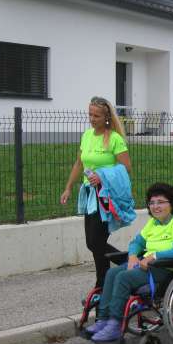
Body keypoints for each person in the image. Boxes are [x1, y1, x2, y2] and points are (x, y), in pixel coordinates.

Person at [86, 183, 173, 344]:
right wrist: (132, 256)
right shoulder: (154, 223)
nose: (155, 206)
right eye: (152, 203)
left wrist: (154, 256)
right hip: (148, 266)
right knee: (112, 273)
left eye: (160, 202)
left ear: (171, 203)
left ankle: (115, 324)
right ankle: (103, 319)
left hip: (169, 269)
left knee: (123, 277)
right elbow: (136, 243)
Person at [60, 97, 132, 289]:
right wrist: (68, 187)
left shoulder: (114, 139)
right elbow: (79, 163)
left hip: (105, 196)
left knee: (96, 242)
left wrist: (102, 176)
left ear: (106, 117)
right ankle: (126, 266)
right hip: (90, 195)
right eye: (90, 114)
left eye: (96, 115)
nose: (92, 118)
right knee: (93, 243)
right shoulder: (87, 135)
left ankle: (104, 283)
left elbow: (126, 167)